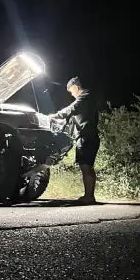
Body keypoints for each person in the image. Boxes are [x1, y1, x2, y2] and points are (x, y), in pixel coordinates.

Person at [50, 76, 100, 204]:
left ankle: (88, 197)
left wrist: (55, 116)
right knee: (88, 167)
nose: (72, 94)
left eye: (72, 91)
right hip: (90, 136)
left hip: (85, 137)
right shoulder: (88, 98)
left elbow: (71, 109)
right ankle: (90, 196)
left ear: (76, 87)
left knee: (86, 167)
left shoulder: (84, 97)